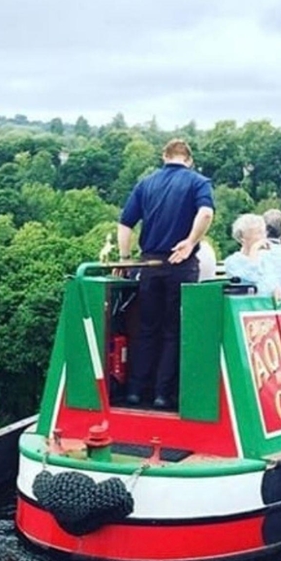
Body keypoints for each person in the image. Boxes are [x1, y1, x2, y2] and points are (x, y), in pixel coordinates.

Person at [117, 139, 214, 410]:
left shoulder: (146, 184)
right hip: (180, 265)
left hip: (149, 265)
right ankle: (162, 394)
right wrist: (191, 242)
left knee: (146, 329)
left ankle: (136, 391)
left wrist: (125, 259)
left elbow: (125, 224)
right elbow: (206, 213)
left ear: (164, 156)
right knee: (173, 330)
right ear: (189, 160)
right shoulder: (198, 182)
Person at [223, 214, 281, 301]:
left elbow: (272, 283)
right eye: (259, 232)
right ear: (242, 238)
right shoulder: (232, 262)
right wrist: (254, 250)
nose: (264, 237)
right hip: (246, 308)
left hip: (266, 307)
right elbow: (251, 282)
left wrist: (277, 289)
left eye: (264, 232)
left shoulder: (266, 257)